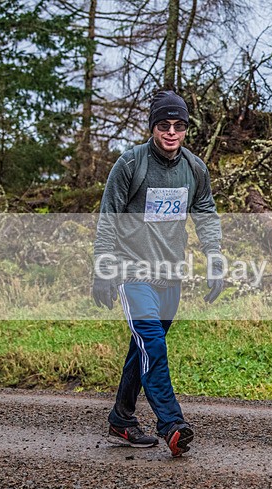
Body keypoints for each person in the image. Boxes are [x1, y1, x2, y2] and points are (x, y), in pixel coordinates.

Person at [92, 90, 225, 456]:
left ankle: (121, 419)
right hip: (131, 272)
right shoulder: (130, 164)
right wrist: (103, 270)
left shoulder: (195, 169)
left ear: (186, 129)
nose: (171, 132)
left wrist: (215, 259)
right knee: (153, 343)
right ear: (153, 127)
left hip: (171, 276)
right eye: (163, 125)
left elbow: (206, 215)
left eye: (178, 125)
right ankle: (171, 423)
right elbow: (108, 219)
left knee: (143, 350)